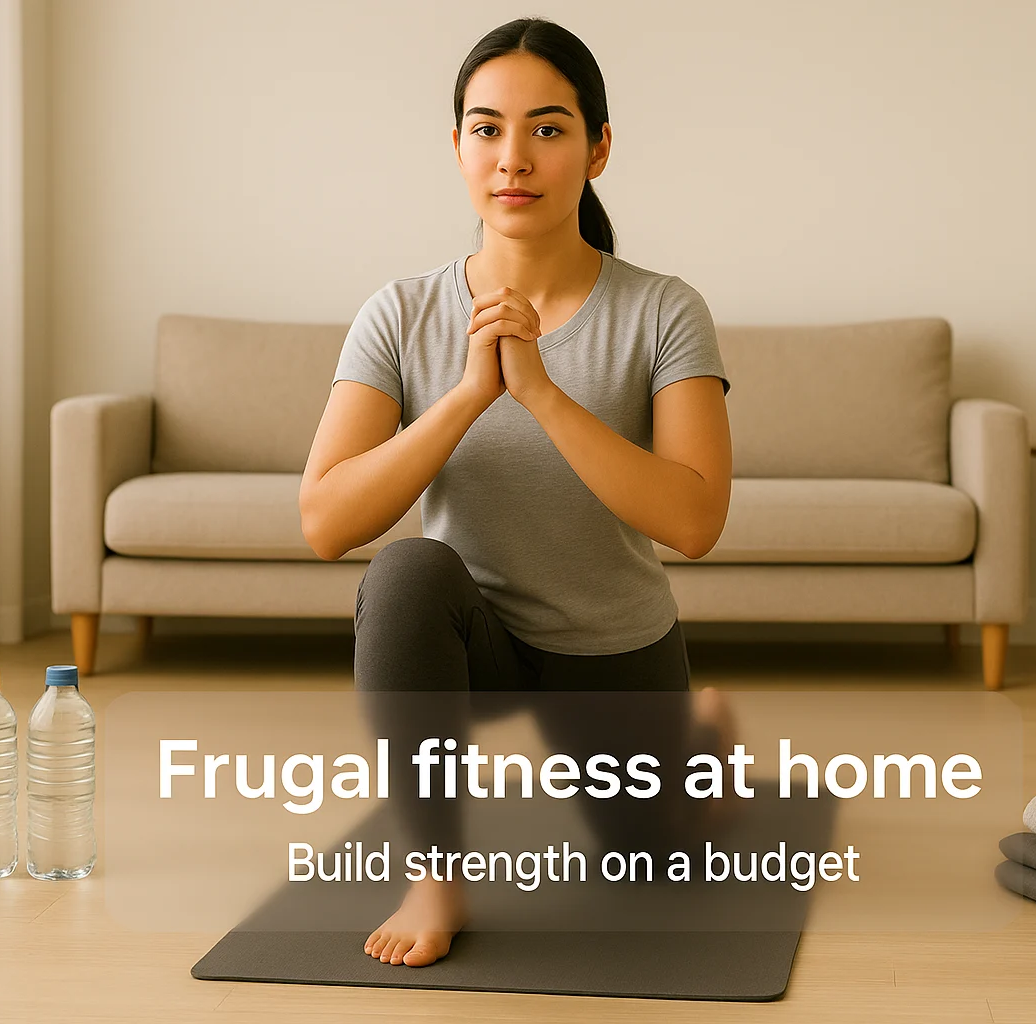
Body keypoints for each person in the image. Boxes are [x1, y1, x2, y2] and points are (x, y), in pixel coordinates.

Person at [299, 16, 736, 969]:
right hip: (478, 643)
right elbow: (327, 521)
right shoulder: (402, 311)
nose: (514, 157)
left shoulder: (663, 308)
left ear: (598, 147)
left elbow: (696, 520)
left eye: (547, 128)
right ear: (456, 146)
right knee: (406, 569)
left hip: (615, 651)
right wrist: (468, 394)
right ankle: (436, 873)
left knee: (665, 869)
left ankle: (700, 740)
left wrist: (539, 390)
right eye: (487, 128)